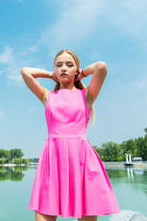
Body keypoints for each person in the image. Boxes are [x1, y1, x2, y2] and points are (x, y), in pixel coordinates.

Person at [20, 50, 121, 221]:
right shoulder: (47, 96)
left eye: (69, 65)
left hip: (82, 160)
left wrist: (81, 75)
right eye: (59, 65)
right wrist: (51, 75)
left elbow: (101, 67)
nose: (63, 69)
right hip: (53, 158)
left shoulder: (87, 95)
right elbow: (25, 72)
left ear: (76, 70)